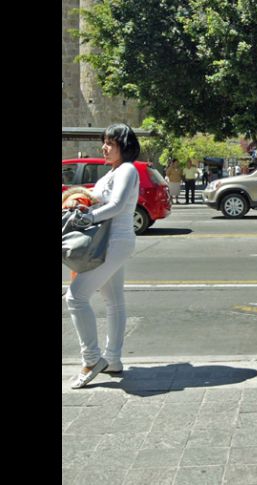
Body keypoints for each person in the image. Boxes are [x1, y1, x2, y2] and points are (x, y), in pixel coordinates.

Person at [65, 123, 142, 389]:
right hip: (107, 243)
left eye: (110, 143)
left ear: (124, 145)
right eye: (104, 142)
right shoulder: (111, 173)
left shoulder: (128, 170)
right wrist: (78, 201)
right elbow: (94, 198)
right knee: (113, 300)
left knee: (76, 297)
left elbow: (118, 205)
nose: (104, 147)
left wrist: (88, 215)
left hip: (115, 242)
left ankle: (91, 359)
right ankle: (113, 359)